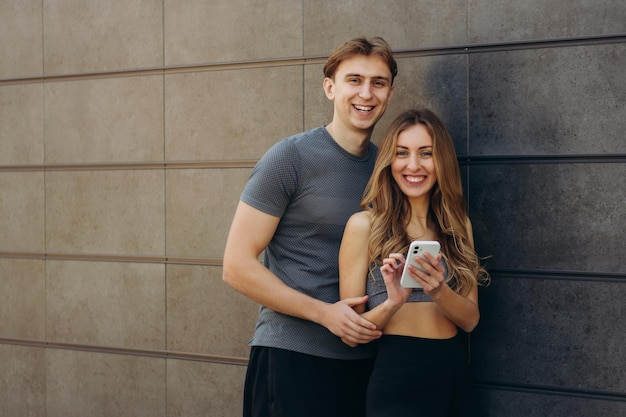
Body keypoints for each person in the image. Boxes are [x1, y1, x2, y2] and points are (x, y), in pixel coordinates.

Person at [222, 37, 398, 417]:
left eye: (378, 82)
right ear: (330, 87)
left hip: (364, 362)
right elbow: (236, 266)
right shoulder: (291, 157)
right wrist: (325, 313)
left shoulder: (388, 168)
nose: (366, 93)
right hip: (292, 359)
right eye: (354, 80)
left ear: (389, 92)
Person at [339, 108, 490, 417]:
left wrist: (439, 291)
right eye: (402, 153)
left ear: (441, 161)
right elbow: (351, 333)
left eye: (426, 153)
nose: (413, 165)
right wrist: (394, 301)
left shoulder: (458, 224)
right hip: (398, 377)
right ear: (389, 161)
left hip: (454, 374)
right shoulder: (364, 225)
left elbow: (471, 320)